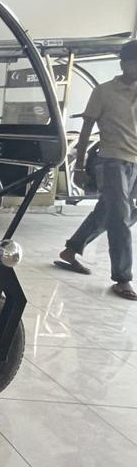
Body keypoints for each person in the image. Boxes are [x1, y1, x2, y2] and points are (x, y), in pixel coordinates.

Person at [58, 39, 137, 300]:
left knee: (115, 212)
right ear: (125, 63)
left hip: (135, 162)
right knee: (120, 217)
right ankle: (123, 279)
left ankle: (73, 248)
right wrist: (78, 165)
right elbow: (86, 130)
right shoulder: (104, 92)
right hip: (111, 160)